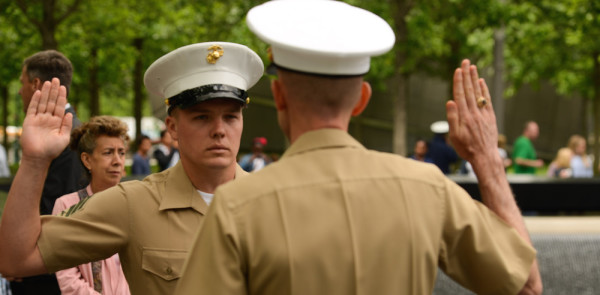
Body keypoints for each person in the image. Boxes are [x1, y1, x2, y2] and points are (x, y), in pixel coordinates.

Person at [176, 1, 541, 295]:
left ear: (279, 95)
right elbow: (526, 285)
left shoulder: (238, 207)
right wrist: (487, 158)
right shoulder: (427, 188)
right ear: (361, 100)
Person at [0, 41, 264, 295]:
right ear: (172, 127)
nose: (219, 130)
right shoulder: (133, 203)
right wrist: (35, 161)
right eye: (202, 117)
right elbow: (16, 258)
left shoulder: (273, 201)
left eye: (230, 116)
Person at [11, 49, 88, 295]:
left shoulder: (68, 137)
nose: (19, 91)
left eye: (22, 83)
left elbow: (58, 208)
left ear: (35, 84)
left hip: (43, 272)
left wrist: (19, 257)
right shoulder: (73, 129)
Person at [51, 116, 130, 295]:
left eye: (122, 152)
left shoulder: (136, 203)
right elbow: (66, 276)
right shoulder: (67, 206)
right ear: (87, 160)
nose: (117, 161)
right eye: (108, 152)